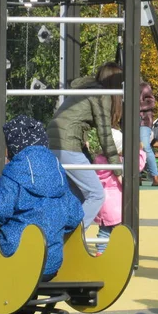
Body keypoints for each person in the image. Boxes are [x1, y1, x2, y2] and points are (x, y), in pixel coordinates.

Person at [0, 115, 84, 314]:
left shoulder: (13, 175)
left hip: (13, 260)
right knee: (31, 280)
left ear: (14, 148)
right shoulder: (59, 176)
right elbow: (75, 217)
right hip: (50, 262)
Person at [47, 61, 122, 231]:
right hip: (67, 143)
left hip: (55, 141)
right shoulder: (100, 94)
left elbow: (76, 118)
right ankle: (71, 236)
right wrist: (117, 169)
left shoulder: (86, 89)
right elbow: (105, 133)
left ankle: (60, 231)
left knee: (77, 194)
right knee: (96, 194)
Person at [94, 129, 146, 256]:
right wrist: (140, 151)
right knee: (119, 230)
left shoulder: (98, 160)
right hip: (116, 204)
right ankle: (119, 253)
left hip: (102, 203)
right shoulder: (119, 162)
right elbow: (138, 165)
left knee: (104, 230)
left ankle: (101, 252)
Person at [140, 79, 158, 186]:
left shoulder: (144, 86)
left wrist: (136, 107)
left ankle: (155, 175)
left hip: (143, 121)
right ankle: (136, 176)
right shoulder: (123, 86)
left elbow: (151, 102)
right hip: (128, 122)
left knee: (145, 146)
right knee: (129, 149)